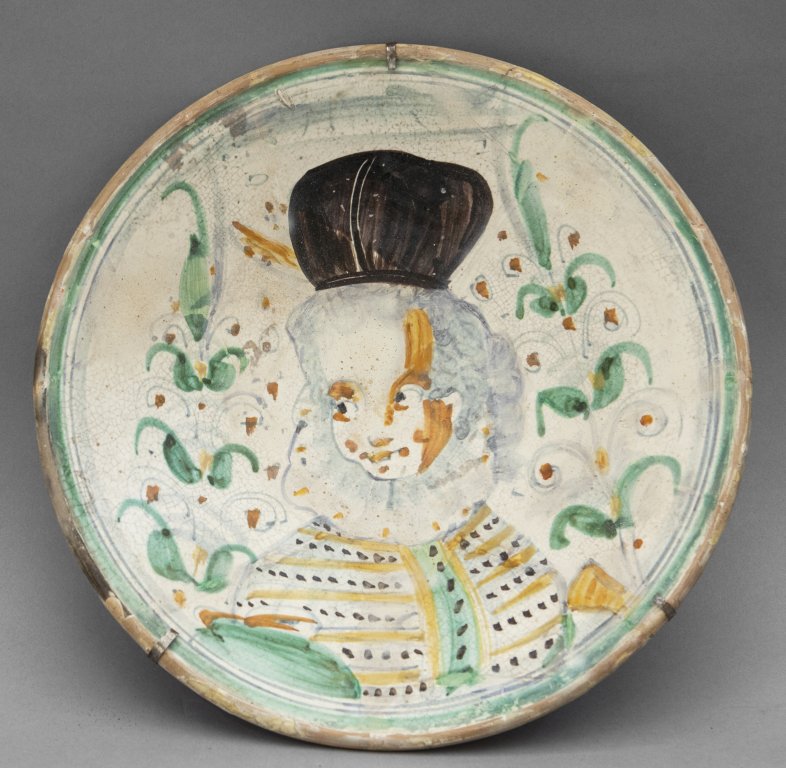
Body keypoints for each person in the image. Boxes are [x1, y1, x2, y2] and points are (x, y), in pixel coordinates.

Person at [197, 151, 570, 700]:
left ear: (460, 396)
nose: (371, 432)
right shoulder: (281, 584)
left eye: (403, 397)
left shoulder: (517, 562)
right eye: (344, 405)